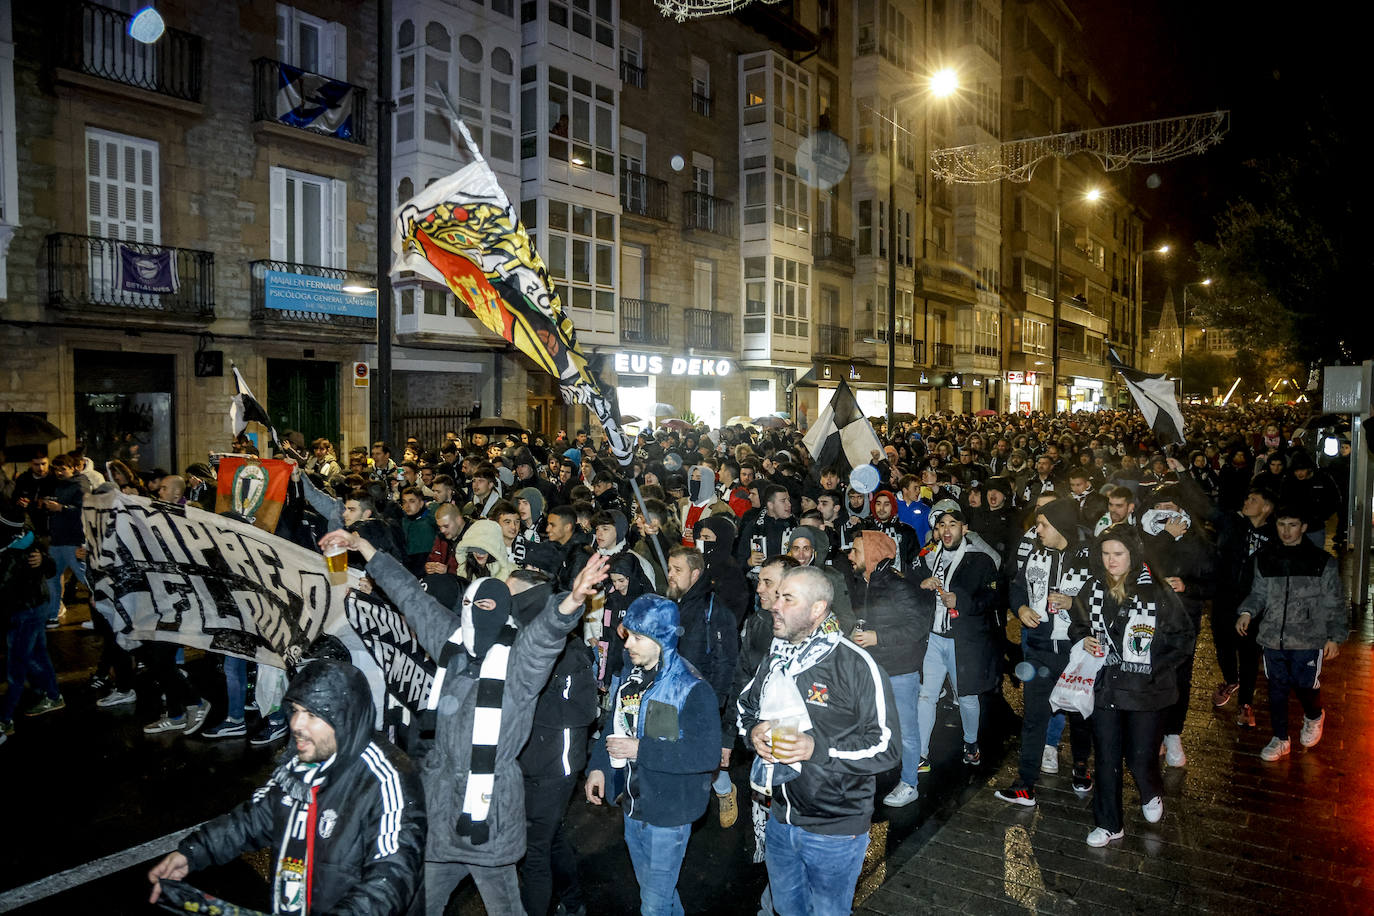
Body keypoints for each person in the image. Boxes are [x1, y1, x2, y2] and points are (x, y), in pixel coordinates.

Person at [321, 527, 607, 916]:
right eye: (470, 604)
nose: (475, 614)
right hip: (441, 807)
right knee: (420, 902)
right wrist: (365, 547)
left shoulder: (518, 665)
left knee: (505, 905)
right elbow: (409, 595)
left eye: (487, 607)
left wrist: (572, 600)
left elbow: (544, 638)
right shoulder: (450, 641)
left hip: (488, 814)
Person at [147, 660, 426, 913]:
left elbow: (392, 875)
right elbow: (253, 819)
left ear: (345, 719)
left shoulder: (388, 777)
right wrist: (192, 853)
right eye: (295, 710)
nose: (296, 724)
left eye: (312, 715)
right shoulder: (300, 764)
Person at [738, 566, 899, 916]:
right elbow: (745, 707)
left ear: (816, 609)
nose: (774, 605)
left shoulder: (855, 664)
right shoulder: (777, 659)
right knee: (786, 907)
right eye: (776, 596)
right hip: (779, 819)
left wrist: (817, 749)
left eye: (786, 598)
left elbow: (886, 746)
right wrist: (754, 733)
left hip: (835, 829)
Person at [585, 593, 721, 916]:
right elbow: (615, 727)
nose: (628, 644)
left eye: (638, 637)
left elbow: (706, 756)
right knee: (658, 894)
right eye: (628, 635)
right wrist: (599, 767)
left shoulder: (690, 687)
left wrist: (641, 749)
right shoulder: (631, 678)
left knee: (653, 906)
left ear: (660, 639)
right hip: (633, 807)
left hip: (669, 815)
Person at [1068, 525, 1193, 846]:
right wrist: (1084, 639)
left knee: (1140, 757)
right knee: (1107, 755)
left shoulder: (1156, 592)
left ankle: (1150, 790)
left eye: (1118, 554)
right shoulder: (1092, 587)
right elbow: (1079, 624)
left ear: (1133, 555)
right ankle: (1109, 823)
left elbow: (1183, 638)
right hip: (1105, 687)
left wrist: (1154, 667)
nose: (1111, 561)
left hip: (1146, 691)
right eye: (1106, 553)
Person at [995, 498, 1093, 806]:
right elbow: (1017, 586)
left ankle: (1080, 768)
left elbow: (1103, 601)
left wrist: (1073, 605)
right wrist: (1021, 607)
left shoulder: (1088, 558)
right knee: (1035, 717)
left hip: (1074, 650)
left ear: (1060, 526)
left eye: (1043, 525)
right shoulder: (1036, 553)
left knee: (1079, 712)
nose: (1037, 530)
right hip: (1038, 648)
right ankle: (1026, 783)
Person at [1237, 507, 1346, 761]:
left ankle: (1314, 715)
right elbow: (1258, 593)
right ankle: (1281, 737)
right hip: (1273, 636)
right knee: (1277, 687)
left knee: (1304, 683)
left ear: (1303, 527)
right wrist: (1247, 612)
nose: (1286, 531)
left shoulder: (1322, 562)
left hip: (1309, 637)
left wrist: (1334, 636)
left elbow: (1334, 602)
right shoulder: (1265, 558)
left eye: (1292, 524)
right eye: (1282, 524)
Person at [847, 530, 929, 808]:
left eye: (856, 551)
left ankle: (910, 783)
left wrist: (877, 637)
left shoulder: (897, 586)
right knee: (871, 724)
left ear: (871, 555)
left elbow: (917, 627)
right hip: (874, 668)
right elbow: (868, 619)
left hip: (901, 670)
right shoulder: (866, 581)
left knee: (906, 729)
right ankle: (871, 775)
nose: (850, 556)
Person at [914, 506, 1000, 769]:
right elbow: (911, 588)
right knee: (926, 696)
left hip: (962, 641)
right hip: (935, 637)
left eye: (953, 524)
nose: (947, 529)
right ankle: (921, 754)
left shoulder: (980, 560)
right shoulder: (930, 558)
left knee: (966, 696)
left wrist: (960, 600)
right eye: (942, 525)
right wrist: (921, 586)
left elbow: (993, 598)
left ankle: (971, 743)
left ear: (964, 529)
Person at [664, 545, 740, 828]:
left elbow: (726, 663)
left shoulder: (715, 611)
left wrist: (716, 704)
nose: (670, 576)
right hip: (670, 696)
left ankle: (725, 792)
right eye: (670, 569)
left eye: (677, 570)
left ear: (695, 574)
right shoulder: (670, 604)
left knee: (706, 757)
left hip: (700, 699)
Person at [1210, 486, 1276, 726]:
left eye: (1253, 499)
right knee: (1222, 642)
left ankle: (1245, 703)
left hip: (1254, 602)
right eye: (1247, 498)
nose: (1246, 502)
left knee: (1249, 652)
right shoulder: (1234, 524)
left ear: (1266, 507)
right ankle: (1230, 679)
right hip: (1225, 596)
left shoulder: (1275, 534)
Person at [1, 512, 64, 734]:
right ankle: (53, 695)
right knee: (36, 654)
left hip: (25, 609)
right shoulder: (21, 536)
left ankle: (4, 718)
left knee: (17, 664)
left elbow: (49, 566)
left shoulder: (14, 544)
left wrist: (43, 560)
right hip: (31, 607)